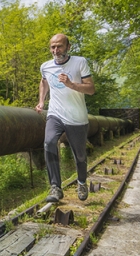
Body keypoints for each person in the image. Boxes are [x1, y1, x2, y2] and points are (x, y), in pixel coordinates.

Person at [35, 33, 95, 203]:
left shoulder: (80, 62)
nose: (56, 50)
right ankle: (55, 187)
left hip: (77, 117)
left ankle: (82, 182)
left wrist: (71, 84)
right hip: (55, 114)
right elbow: (44, 81)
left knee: (80, 156)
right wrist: (41, 101)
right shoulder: (45, 66)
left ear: (68, 47)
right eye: (53, 47)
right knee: (49, 143)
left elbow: (91, 89)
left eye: (59, 46)